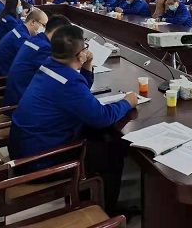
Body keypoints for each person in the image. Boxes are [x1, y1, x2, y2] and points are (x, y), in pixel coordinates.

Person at [8, 25, 138, 212]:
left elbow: (79, 92)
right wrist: (127, 102)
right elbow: (102, 117)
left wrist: (87, 66)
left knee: (96, 134)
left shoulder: (49, 66)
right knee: (112, 152)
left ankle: (87, 196)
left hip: (26, 148)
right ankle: (105, 212)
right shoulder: (68, 81)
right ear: (80, 54)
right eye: (85, 47)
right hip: (38, 162)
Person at [5, 14, 71, 107]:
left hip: (16, 92)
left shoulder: (35, 39)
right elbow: (60, 75)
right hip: (21, 100)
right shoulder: (45, 48)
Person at [0, 9, 48, 77]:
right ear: (33, 22)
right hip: (4, 75)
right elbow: (30, 61)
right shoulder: (23, 38)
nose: (44, 29)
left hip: (2, 68)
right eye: (43, 25)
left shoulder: (20, 29)